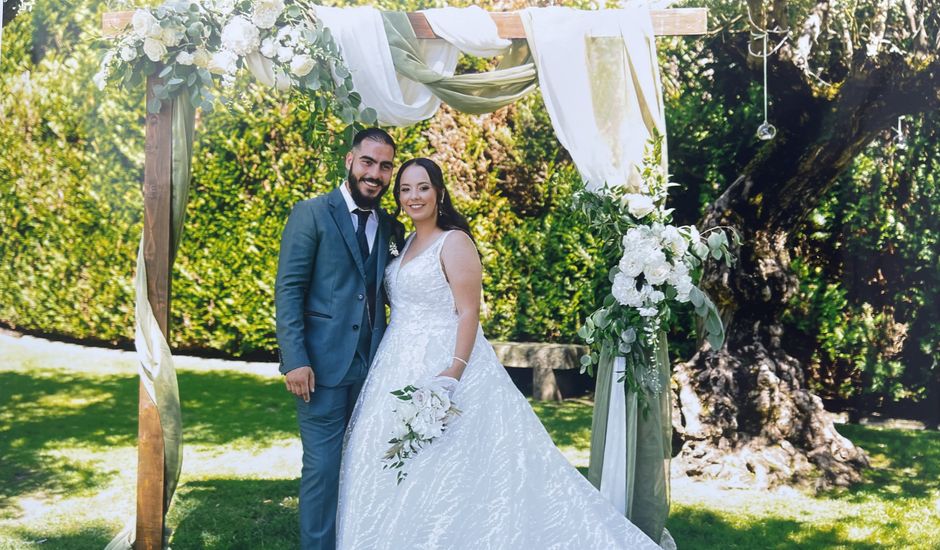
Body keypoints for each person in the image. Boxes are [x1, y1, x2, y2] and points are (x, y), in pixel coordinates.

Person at [336, 158, 659, 549]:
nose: (413, 196)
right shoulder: (404, 244)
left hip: (445, 362)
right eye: (405, 189)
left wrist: (452, 374)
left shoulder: (453, 241)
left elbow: (468, 311)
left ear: (439, 192)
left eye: (422, 187)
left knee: (456, 467)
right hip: (396, 361)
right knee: (394, 462)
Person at [275, 128, 402, 550]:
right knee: (323, 471)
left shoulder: (389, 225)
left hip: (374, 368)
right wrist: (294, 358)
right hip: (321, 368)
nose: (376, 173)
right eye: (368, 162)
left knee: (365, 468)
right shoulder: (310, 213)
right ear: (350, 161)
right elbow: (289, 289)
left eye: (385, 166)